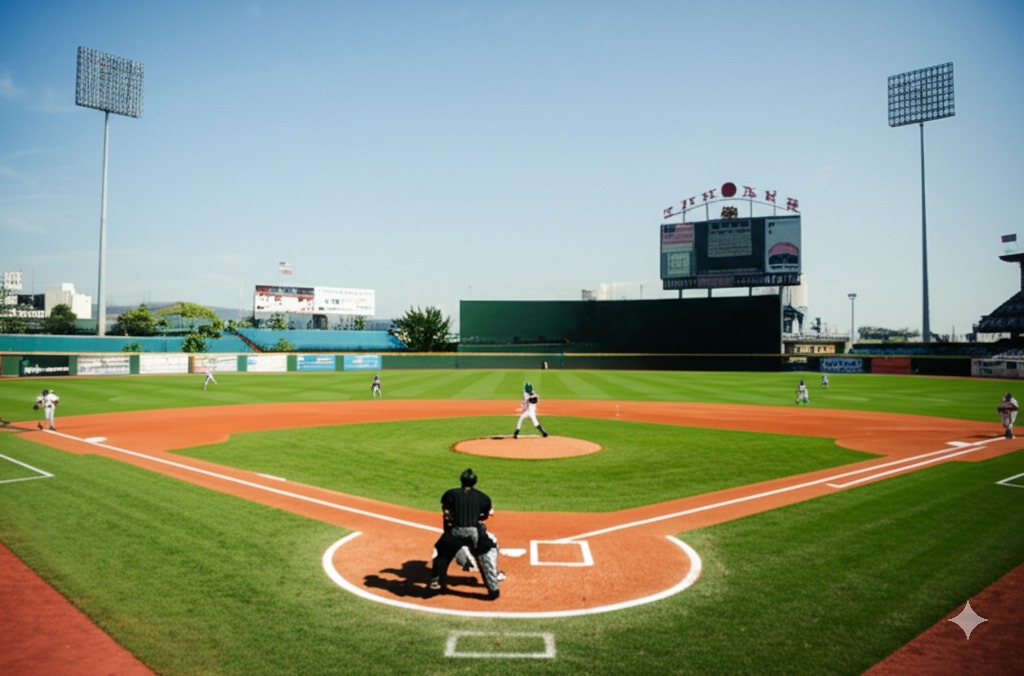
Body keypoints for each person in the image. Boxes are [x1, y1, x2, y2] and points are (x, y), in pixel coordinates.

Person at [429, 468, 500, 599]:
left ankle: (435, 582)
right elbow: (487, 514)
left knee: (443, 553)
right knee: (487, 551)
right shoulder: (483, 497)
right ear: (475, 482)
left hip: (455, 532)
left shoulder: (450, 494)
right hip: (474, 533)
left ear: (461, 480)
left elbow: (446, 513)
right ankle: (493, 588)